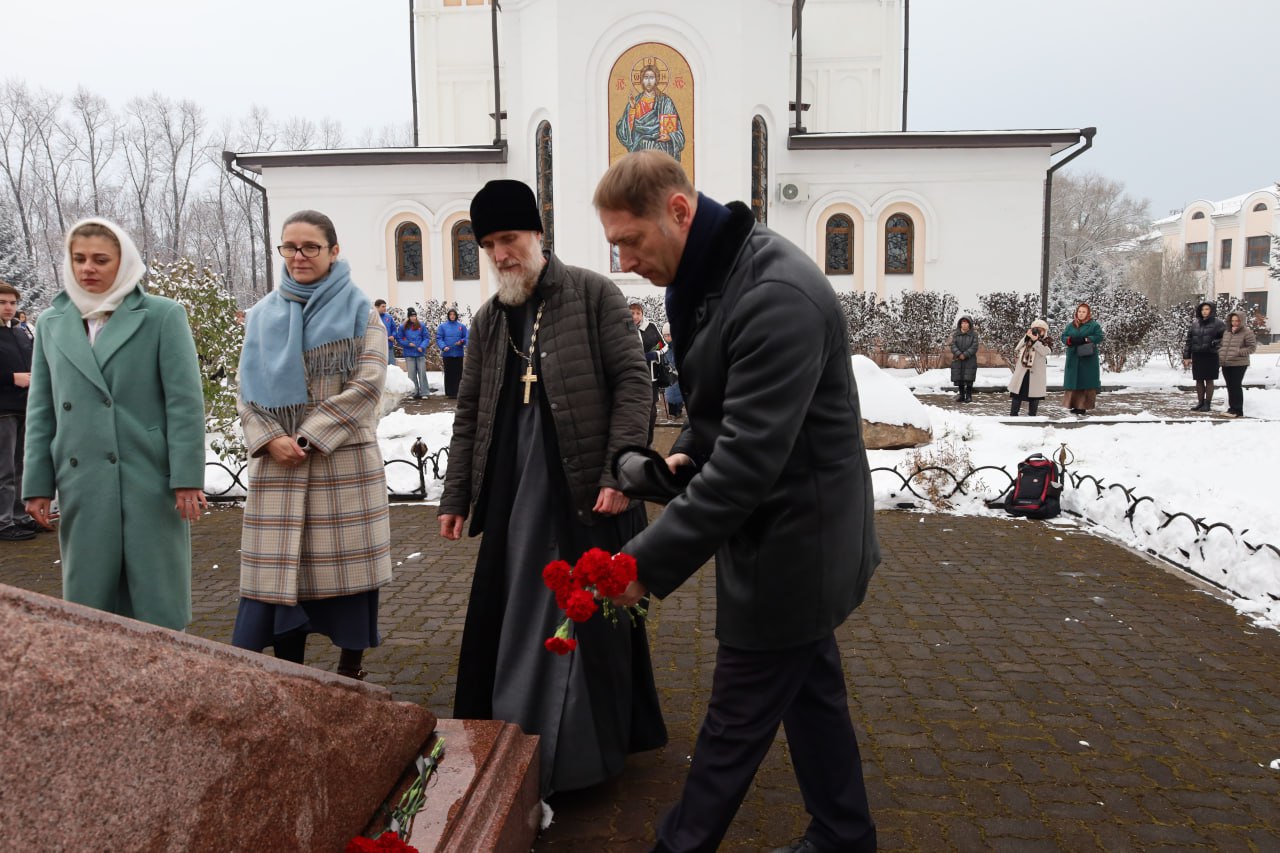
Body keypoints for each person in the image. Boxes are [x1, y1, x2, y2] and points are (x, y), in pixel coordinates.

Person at [596, 150, 879, 853]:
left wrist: (640, 566)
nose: (624, 261)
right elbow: (720, 399)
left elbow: (747, 464)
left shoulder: (776, 294)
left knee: (732, 726)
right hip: (779, 530)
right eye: (614, 245)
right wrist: (686, 450)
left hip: (799, 544)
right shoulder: (707, 277)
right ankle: (844, 835)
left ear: (679, 210)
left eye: (630, 240)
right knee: (811, 697)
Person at [438, 179, 666, 798]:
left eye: (509, 238)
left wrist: (619, 472)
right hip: (513, 496)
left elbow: (633, 385)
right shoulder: (489, 320)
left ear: (538, 234)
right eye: (489, 244)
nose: (501, 254)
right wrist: (456, 496)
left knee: (588, 621)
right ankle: (512, 740)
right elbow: (469, 415)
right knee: (516, 613)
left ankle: (580, 760)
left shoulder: (593, 294)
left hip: (585, 492)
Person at [22, 219, 207, 629]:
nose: (88, 268)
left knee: (156, 598)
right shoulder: (51, 322)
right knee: (91, 605)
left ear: (123, 262)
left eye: (101, 259)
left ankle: (166, 662)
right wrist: (37, 485)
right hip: (82, 478)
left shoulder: (161, 315)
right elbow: (41, 409)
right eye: (79, 258)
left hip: (148, 476)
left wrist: (186, 478)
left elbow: (184, 403)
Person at [232, 209, 392, 680]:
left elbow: (368, 383)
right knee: (279, 585)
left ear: (333, 251)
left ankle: (350, 674)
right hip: (278, 469)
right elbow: (245, 389)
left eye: (310, 247)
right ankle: (291, 680)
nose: (298, 256)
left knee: (348, 584)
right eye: (290, 247)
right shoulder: (261, 315)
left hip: (339, 466)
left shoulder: (361, 312)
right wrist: (269, 438)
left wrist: (307, 435)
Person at [1, 281, 37, 541]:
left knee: (21, 466)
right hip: (3, 410)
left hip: (25, 406)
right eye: (2, 302)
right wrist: (11, 378)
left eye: (12, 303)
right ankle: (3, 522)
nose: (9, 307)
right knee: (4, 470)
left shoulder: (21, 332)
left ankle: (20, 516)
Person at [615, 64, 686, 161]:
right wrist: (632, 109)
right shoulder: (635, 102)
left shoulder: (665, 102)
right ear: (642, 80)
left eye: (651, 77)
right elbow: (624, 132)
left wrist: (670, 136)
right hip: (639, 151)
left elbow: (678, 133)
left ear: (656, 80)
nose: (648, 81)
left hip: (660, 150)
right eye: (646, 77)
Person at [1060, 302, 1104, 416]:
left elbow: (1100, 336)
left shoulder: (1093, 325)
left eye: (1083, 312)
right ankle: (1074, 405)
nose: (1081, 314)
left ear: (1088, 313)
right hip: (1073, 357)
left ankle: (1082, 406)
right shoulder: (1071, 325)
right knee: (1074, 381)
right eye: (1079, 311)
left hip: (1087, 357)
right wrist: (1070, 340)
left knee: (1085, 382)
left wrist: (1086, 339)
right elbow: (1063, 336)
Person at [1182, 301, 1226, 413]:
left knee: (1209, 380)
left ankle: (1207, 404)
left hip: (1211, 355)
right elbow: (1189, 341)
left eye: (1207, 309)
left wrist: (1215, 343)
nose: (1204, 311)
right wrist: (1186, 356)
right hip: (1197, 355)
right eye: (1202, 309)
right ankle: (1200, 403)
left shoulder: (1219, 323)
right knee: (1199, 380)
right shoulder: (1195, 324)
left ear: (1211, 310)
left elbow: (1225, 338)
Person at [631, 301, 666, 440]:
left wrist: (655, 353)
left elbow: (663, 345)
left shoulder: (650, 327)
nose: (635, 316)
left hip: (651, 376)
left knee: (651, 411)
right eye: (632, 313)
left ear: (642, 314)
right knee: (635, 410)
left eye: (638, 313)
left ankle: (648, 439)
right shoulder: (623, 328)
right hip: (632, 376)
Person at [1008, 319, 1051, 416]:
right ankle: (1013, 415)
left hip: (1036, 374)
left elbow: (1045, 351)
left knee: (1034, 396)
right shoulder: (1027, 338)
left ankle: (1032, 416)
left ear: (1045, 331)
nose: (1038, 331)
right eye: (1036, 329)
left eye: (1041, 330)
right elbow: (1017, 348)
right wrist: (1027, 337)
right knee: (1017, 394)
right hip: (1023, 372)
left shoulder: (1047, 340)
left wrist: (1036, 341)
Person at [1219, 310, 1257, 418]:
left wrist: (1238, 352)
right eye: (1233, 321)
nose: (1234, 323)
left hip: (1239, 363)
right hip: (1226, 363)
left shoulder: (1247, 332)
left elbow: (1252, 348)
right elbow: (1222, 345)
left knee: (1235, 386)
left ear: (1242, 321)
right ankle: (1232, 409)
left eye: (1237, 321)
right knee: (1230, 386)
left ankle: (1238, 410)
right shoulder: (1227, 332)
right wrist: (1221, 353)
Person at [397, 307, 430, 398]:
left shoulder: (421, 326)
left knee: (422, 373)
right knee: (411, 374)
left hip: (420, 353)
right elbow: (399, 338)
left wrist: (422, 346)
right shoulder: (403, 327)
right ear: (408, 317)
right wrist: (408, 343)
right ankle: (413, 392)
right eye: (411, 316)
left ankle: (424, 393)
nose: (413, 318)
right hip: (409, 354)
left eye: (415, 316)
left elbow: (426, 338)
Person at [437, 308, 468, 398]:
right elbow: (439, 338)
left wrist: (461, 341)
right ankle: (449, 393)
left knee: (458, 374)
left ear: (456, 316)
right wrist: (443, 347)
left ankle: (458, 392)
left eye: (454, 314)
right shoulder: (442, 326)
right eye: (450, 314)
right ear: (448, 316)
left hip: (458, 354)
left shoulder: (461, 326)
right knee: (449, 374)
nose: (452, 316)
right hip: (447, 354)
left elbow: (466, 337)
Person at [950, 315, 979, 403]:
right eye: (963, 323)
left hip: (970, 359)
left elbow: (974, 346)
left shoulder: (974, 335)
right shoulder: (956, 334)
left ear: (969, 324)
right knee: (960, 378)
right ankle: (961, 395)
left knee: (969, 378)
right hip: (958, 359)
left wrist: (965, 354)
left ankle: (969, 396)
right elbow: (953, 345)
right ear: (960, 324)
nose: (964, 325)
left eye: (966, 323)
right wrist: (959, 354)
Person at [661, 321, 683, 420]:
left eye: (669, 335)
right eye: (665, 336)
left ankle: (678, 410)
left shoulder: (678, 345)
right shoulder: (663, 346)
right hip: (669, 374)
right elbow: (657, 352)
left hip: (677, 373)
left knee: (678, 392)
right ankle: (673, 412)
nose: (667, 338)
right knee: (670, 392)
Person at [376, 299, 397, 364]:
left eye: (385, 306)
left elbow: (394, 329)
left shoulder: (389, 317)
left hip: (388, 346)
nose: (385, 308)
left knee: (392, 366)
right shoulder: (372, 318)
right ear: (377, 307)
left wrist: (393, 336)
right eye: (383, 306)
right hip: (377, 347)